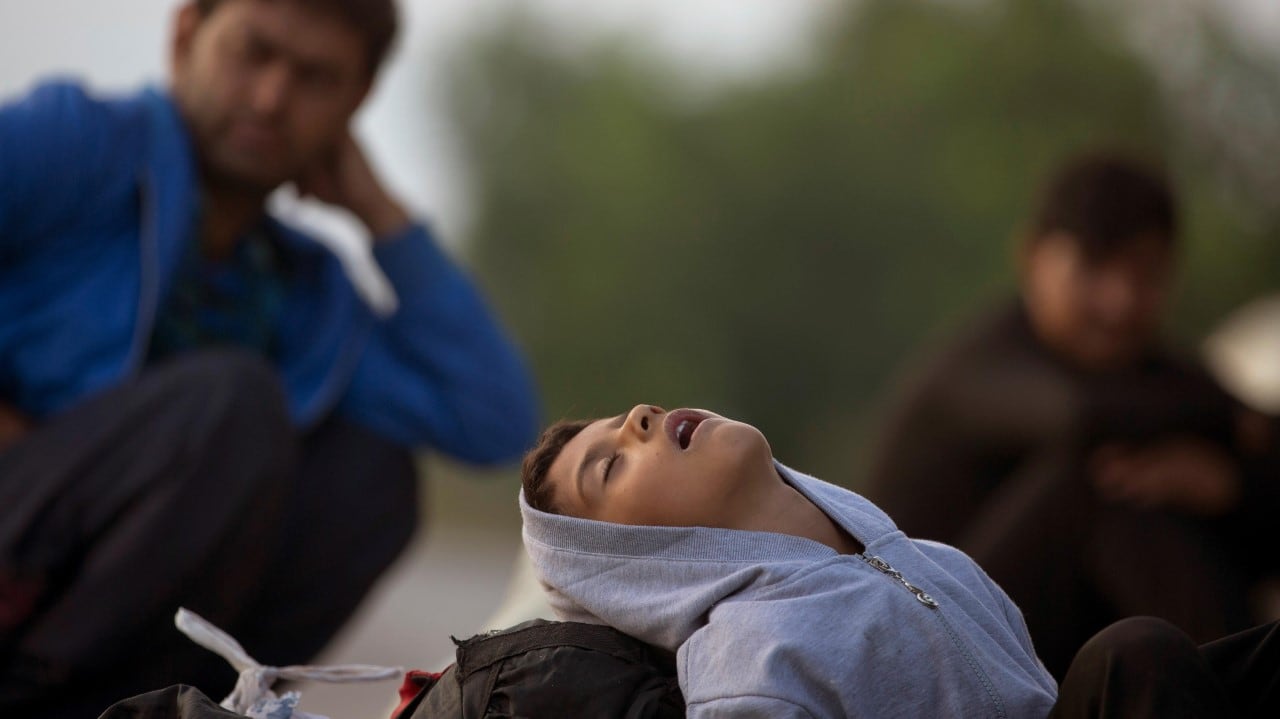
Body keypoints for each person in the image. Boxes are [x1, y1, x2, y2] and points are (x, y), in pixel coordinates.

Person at [0, 0, 538, 715]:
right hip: (18, 516)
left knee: (372, 475)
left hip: (108, 615)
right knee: (230, 402)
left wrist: (384, 217)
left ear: (357, 101)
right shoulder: (84, 142)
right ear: (186, 35)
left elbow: (495, 419)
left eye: (316, 78)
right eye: (252, 52)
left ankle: (161, 705)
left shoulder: (305, 293)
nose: (271, 98)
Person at [518, 404, 1280, 718]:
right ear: (633, 559)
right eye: (609, 466)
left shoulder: (931, 559)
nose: (641, 418)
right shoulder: (749, 663)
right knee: (1131, 656)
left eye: (625, 418)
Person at [864, 151, 1280, 678]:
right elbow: (1081, 416)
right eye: (1094, 269)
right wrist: (1230, 421)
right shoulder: (980, 366)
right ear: (1033, 256)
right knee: (1103, 480)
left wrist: (1228, 486)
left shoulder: (1158, 376)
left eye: (1145, 276)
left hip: (1078, 656)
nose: (1120, 301)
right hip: (932, 656)